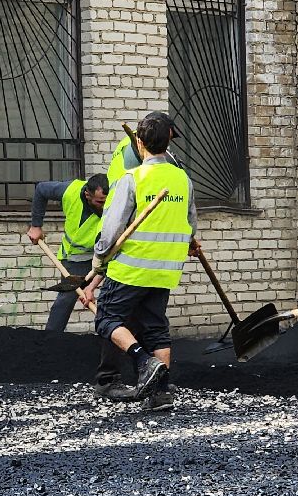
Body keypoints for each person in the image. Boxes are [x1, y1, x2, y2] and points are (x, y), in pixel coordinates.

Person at [80, 111, 198, 409]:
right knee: (156, 328)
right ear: (169, 140)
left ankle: (144, 362)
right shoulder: (183, 179)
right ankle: (161, 394)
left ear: (139, 142)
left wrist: (97, 264)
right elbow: (190, 225)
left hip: (132, 268)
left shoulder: (132, 178)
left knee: (107, 319)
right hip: (166, 271)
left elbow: (110, 230)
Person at [27, 173, 110, 333]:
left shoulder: (114, 200)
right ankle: (50, 340)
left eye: (107, 201)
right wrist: (36, 225)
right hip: (75, 260)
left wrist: (92, 287)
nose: (104, 206)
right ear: (87, 193)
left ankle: (122, 342)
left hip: (105, 256)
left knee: (115, 297)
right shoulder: (70, 191)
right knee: (66, 299)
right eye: (99, 201)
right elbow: (41, 190)